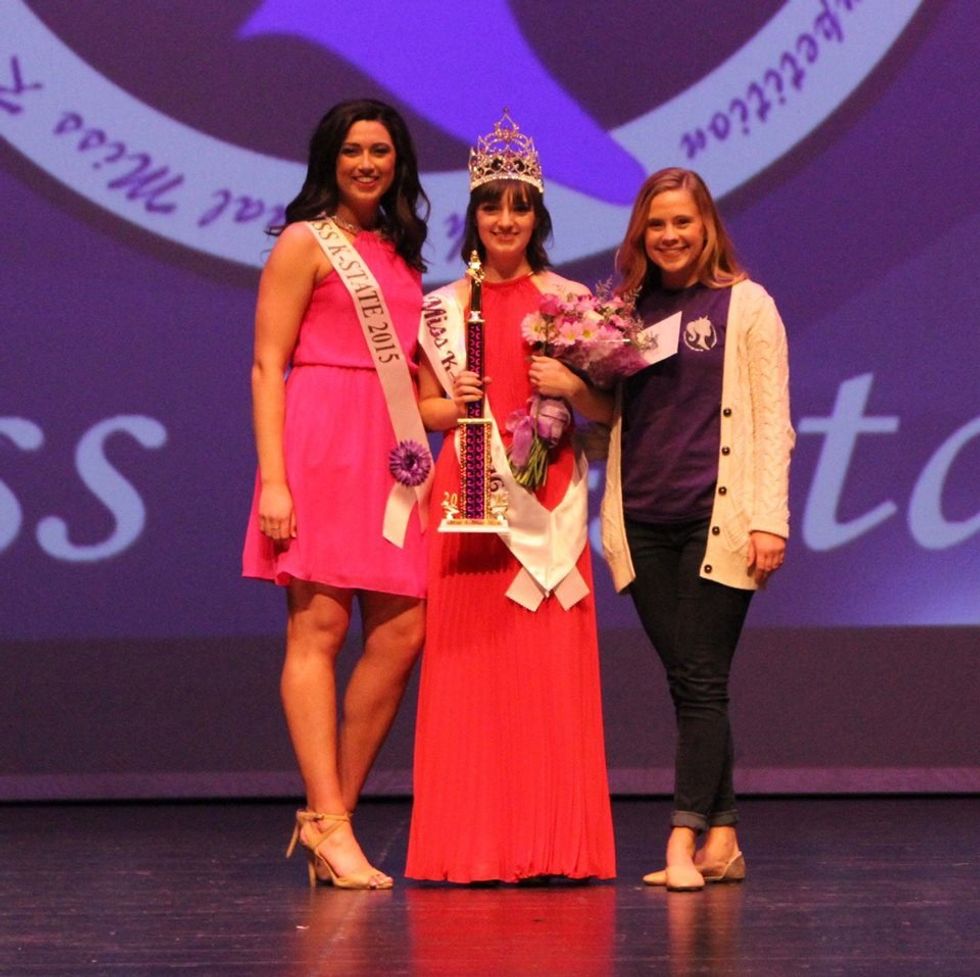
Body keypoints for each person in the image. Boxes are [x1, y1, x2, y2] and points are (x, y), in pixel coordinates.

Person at [406, 112, 616, 883]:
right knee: (471, 678)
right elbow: (420, 409)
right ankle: (473, 844)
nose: (505, 219)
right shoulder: (439, 308)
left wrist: (572, 387)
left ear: (538, 215)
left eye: (519, 205)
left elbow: (608, 410)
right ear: (474, 214)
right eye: (492, 205)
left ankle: (551, 844)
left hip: (547, 505)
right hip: (469, 501)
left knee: (545, 676)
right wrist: (452, 400)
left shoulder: (568, 303)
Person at [242, 99, 431, 889]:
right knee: (317, 630)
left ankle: (332, 816)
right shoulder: (302, 242)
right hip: (318, 446)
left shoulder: (399, 251)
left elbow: (416, 373)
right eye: (352, 150)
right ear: (330, 159)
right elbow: (266, 364)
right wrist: (275, 481)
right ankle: (329, 818)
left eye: (380, 151)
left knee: (403, 630)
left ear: (398, 163)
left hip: (389, 451)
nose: (366, 163)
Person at [600, 167, 795, 890]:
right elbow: (617, 418)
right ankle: (725, 836)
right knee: (692, 682)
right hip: (642, 522)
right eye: (657, 224)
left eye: (682, 221)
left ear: (706, 225)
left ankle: (682, 841)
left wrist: (769, 519)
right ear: (641, 235)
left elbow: (773, 420)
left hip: (723, 521)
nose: (671, 235)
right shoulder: (622, 310)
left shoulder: (747, 305)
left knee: (703, 679)